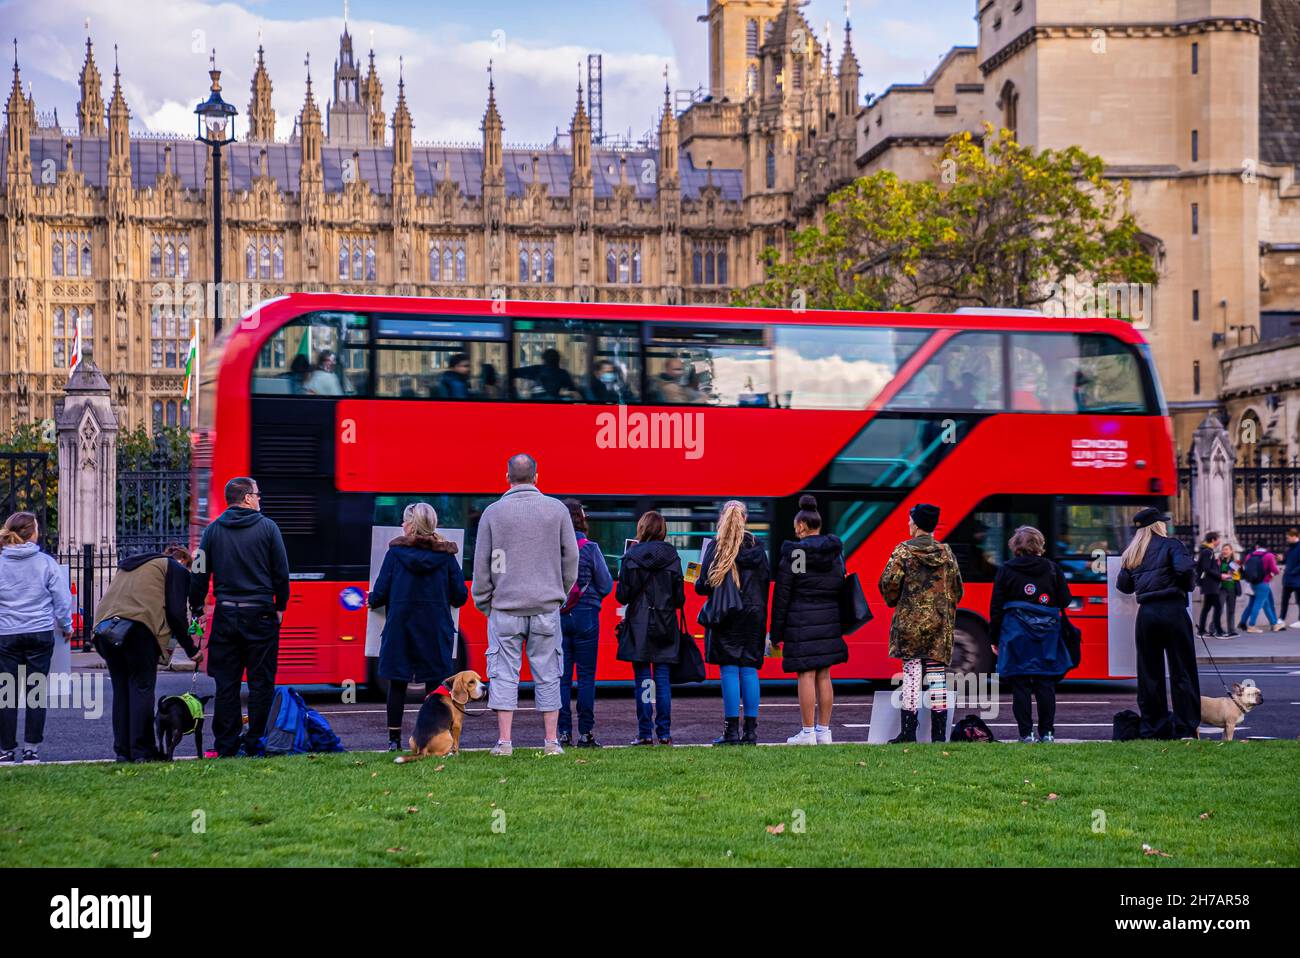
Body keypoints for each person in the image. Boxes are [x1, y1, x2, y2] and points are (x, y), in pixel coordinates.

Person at [471, 454, 578, 756]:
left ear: (507, 477)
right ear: (536, 477)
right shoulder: (557, 510)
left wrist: (485, 603)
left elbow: (482, 565)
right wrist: (560, 592)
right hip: (546, 608)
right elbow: (571, 558)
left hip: (504, 609)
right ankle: (551, 742)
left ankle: (505, 742)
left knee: (503, 674)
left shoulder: (492, 513)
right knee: (548, 673)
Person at [189, 477, 291, 757]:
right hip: (260, 614)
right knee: (261, 682)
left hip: (226, 615)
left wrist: (196, 607)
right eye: (257, 495)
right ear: (247, 498)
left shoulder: (211, 532)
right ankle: (256, 740)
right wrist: (280, 605)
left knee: (227, 683)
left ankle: (226, 744)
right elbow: (281, 573)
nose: (260, 499)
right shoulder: (269, 529)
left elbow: (198, 572)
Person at [368, 502, 469, 751]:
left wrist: (371, 598)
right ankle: (432, 738)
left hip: (400, 629)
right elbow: (460, 596)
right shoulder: (446, 556)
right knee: (434, 687)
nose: (402, 524)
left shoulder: (395, 554)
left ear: (412, 525)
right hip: (435, 630)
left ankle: (394, 741)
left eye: (405, 520)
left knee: (398, 684)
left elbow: (380, 593)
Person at [94, 544, 200, 762]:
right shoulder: (175, 569)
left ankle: (123, 752)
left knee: (121, 692)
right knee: (141, 689)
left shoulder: (134, 565)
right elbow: (175, 614)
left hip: (105, 631)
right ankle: (142, 751)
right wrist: (192, 649)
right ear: (184, 563)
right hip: (138, 631)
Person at [878, 503, 964, 743]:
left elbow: (888, 583)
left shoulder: (903, 552)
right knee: (937, 676)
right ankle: (938, 734)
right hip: (939, 623)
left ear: (916, 524)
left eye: (910, 520)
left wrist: (896, 601)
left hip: (910, 624)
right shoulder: (947, 553)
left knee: (912, 675)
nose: (908, 524)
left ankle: (908, 733)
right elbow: (957, 589)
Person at [769, 494, 847, 745]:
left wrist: (776, 633)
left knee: (806, 674)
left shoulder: (797, 554)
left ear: (801, 526)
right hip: (829, 617)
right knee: (824, 674)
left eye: (796, 526)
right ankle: (824, 732)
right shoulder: (835, 553)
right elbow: (839, 583)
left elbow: (783, 594)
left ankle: (807, 732)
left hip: (801, 619)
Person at [1116, 507, 1199, 738]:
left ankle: (1154, 726)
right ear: (1158, 525)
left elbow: (1124, 586)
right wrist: (1187, 585)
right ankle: (1185, 726)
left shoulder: (1132, 552)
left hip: (1147, 615)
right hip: (1173, 610)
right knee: (1182, 670)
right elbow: (1185, 570)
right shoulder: (1171, 545)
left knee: (1149, 673)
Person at [0, 513, 73, 765]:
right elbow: (62, 599)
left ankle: (6, 750)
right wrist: (66, 625)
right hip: (40, 632)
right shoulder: (46, 562)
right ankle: (31, 749)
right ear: (31, 533)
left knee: (6, 692)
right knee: (35, 692)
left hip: (6, 633)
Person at [988, 526, 1072, 743]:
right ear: (1039, 545)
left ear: (1015, 546)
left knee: (1020, 685)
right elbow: (1065, 600)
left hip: (1016, 634)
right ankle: (1048, 733)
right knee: (1045, 684)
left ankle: (1026, 734)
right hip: (1047, 637)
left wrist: (994, 638)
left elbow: (996, 607)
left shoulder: (1006, 569)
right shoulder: (1053, 569)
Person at [696, 500, 770, 746]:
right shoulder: (758, 548)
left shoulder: (717, 547)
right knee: (749, 669)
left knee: (729, 670)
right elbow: (765, 582)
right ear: (745, 519)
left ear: (722, 519)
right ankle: (750, 732)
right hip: (753, 616)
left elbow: (702, 586)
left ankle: (731, 732)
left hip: (727, 615)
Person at [616, 510, 685, 745]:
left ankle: (644, 732)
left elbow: (622, 596)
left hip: (639, 625)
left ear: (642, 528)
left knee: (644, 680)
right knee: (663, 679)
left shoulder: (631, 557)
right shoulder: (673, 557)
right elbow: (680, 598)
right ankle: (664, 732)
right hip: (665, 623)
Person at [558, 499, 613, 748]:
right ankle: (586, 733)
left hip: (558, 617)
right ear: (582, 519)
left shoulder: (553, 549)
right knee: (587, 677)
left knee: (561, 678)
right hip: (587, 615)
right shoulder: (590, 548)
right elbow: (606, 584)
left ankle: (563, 733)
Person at [1237, 541, 1284, 634]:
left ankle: (1274, 624)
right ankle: (1251, 625)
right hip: (1263, 583)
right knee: (1258, 605)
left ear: (1257, 546)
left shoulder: (1249, 556)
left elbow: (1246, 569)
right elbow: (1275, 570)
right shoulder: (1269, 556)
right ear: (1266, 547)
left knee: (1262, 604)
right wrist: (1277, 571)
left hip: (1252, 583)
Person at [515, 348, 579, 400]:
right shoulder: (562, 373)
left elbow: (573, 391)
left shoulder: (538, 370)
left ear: (544, 360)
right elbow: (573, 390)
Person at [1195, 531, 1225, 638]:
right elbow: (1206, 568)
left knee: (1207, 608)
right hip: (1210, 585)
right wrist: (1220, 576)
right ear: (1213, 540)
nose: (1219, 541)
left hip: (1209, 585)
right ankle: (1219, 631)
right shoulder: (1208, 552)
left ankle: (1202, 630)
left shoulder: (1207, 551)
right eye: (1218, 539)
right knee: (1218, 607)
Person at [1219, 543, 1242, 638]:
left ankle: (1231, 630)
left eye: (1227, 549)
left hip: (1232, 588)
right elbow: (1218, 573)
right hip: (1221, 588)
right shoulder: (1219, 562)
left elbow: (1238, 575)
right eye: (1224, 549)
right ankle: (1214, 629)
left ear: (1231, 551)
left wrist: (1240, 570)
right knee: (1219, 609)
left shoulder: (1235, 562)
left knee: (1231, 610)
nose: (1225, 551)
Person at [1281, 528, 1300, 628]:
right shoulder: (1289, 549)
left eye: (1288, 538)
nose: (1287, 539)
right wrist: (1282, 559)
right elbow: (1287, 561)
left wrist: (1293, 571)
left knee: (1299, 600)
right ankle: (1281, 619)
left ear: (1294, 537)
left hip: (1297, 579)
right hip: (1288, 579)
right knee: (1284, 600)